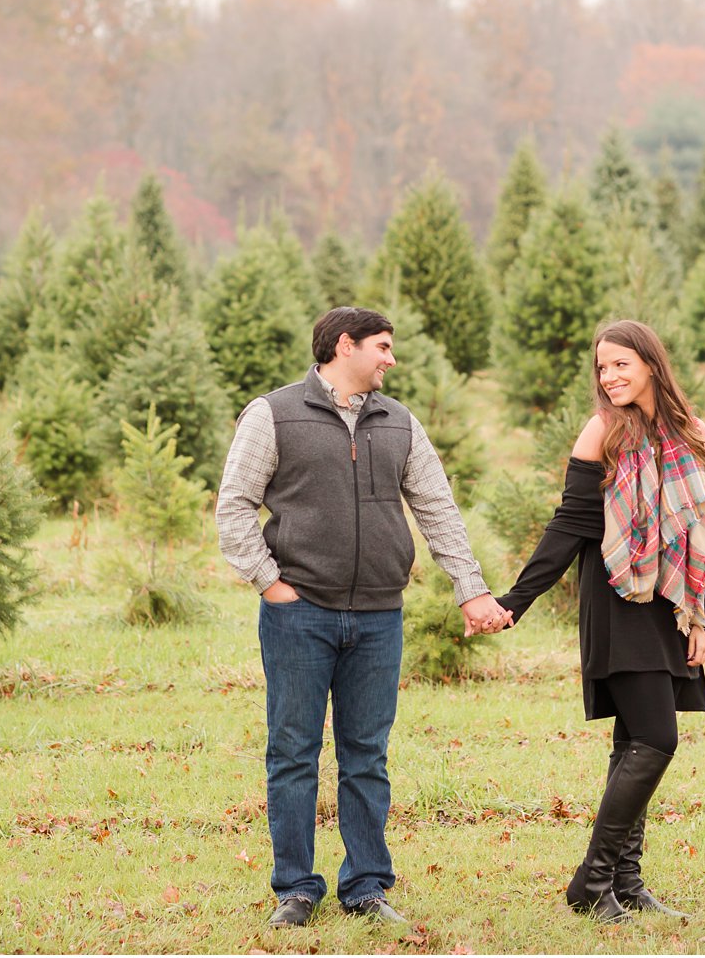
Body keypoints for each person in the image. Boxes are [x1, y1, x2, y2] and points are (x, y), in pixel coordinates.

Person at [216, 306, 512, 929]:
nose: (390, 359)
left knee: (366, 755)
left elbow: (438, 509)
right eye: (381, 346)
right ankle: (296, 888)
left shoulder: (398, 422)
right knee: (293, 752)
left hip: (379, 617)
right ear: (344, 346)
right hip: (300, 615)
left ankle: (367, 887)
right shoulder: (273, 414)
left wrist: (471, 590)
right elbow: (234, 507)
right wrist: (270, 584)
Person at [491, 319, 705, 925]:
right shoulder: (602, 431)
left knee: (632, 742)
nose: (610, 376)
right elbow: (569, 525)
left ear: (650, 363)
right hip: (620, 602)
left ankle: (627, 879)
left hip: (672, 604)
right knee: (656, 739)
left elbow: (703, 527)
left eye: (621, 364)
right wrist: (516, 600)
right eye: (602, 367)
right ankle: (591, 885)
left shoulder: (689, 432)